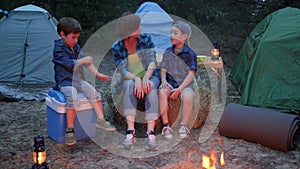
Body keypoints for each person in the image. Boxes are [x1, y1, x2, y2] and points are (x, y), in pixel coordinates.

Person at [53, 17, 116, 146]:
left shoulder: (75, 46)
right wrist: (82, 61)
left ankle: (100, 119)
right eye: (73, 37)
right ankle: (70, 129)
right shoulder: (58, 49)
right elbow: (69, 64)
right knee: (72, 96)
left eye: (77, 38)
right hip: (65, 82)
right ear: (62, 35)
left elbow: (87, 61)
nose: (76, 41)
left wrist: (98, 74)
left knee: (94, 92)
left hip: (78, 80)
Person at [112, 13, 160, 151]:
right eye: (138, 26)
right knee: (129, 86)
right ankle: (130, 131)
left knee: (151, 86)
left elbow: (152, 61)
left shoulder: (146, 39)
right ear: (129, 29)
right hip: (130, 78)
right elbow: (122, 70)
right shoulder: (117, 47)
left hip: (150, 75)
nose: (141, 28)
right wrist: (137, 78)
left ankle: (150, 132)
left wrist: (145, 78)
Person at [159, 21, 197, 139]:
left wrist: (180, 89)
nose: (171, 35)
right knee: (162, 92)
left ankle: (184, 125)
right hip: (170, 82)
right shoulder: (168, 52)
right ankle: (166, 125)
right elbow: (163, 70)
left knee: (188, 96)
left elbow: (191, 75)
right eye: (171, 33)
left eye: (175, 33)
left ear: (184, 37)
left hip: (184, 85)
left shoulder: (190, 53)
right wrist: (164, 82)